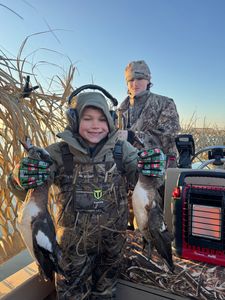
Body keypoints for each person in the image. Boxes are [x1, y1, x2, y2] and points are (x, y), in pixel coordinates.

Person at [8, 89, 165, 299]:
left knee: (106, 294)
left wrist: (154, 168)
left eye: (102, 119)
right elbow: (24, 190)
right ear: (74, 120)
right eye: (87, 118)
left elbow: (145, 180)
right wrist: (20, 176)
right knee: (71, 295)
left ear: (110, 122)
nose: (95, 125)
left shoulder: (122, 150)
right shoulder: (57, 153)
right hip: (71, 251)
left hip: (112, 246)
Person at [119, 60, 181, 226]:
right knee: (129, 223)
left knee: (155, 223)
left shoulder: (164, 103)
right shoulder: (121, 110)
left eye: (139, 78)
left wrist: (132, 136)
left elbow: (168, 135)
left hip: (157, 174)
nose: (135, 83)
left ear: (148, 80)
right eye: (130, 80)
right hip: (128, 174)